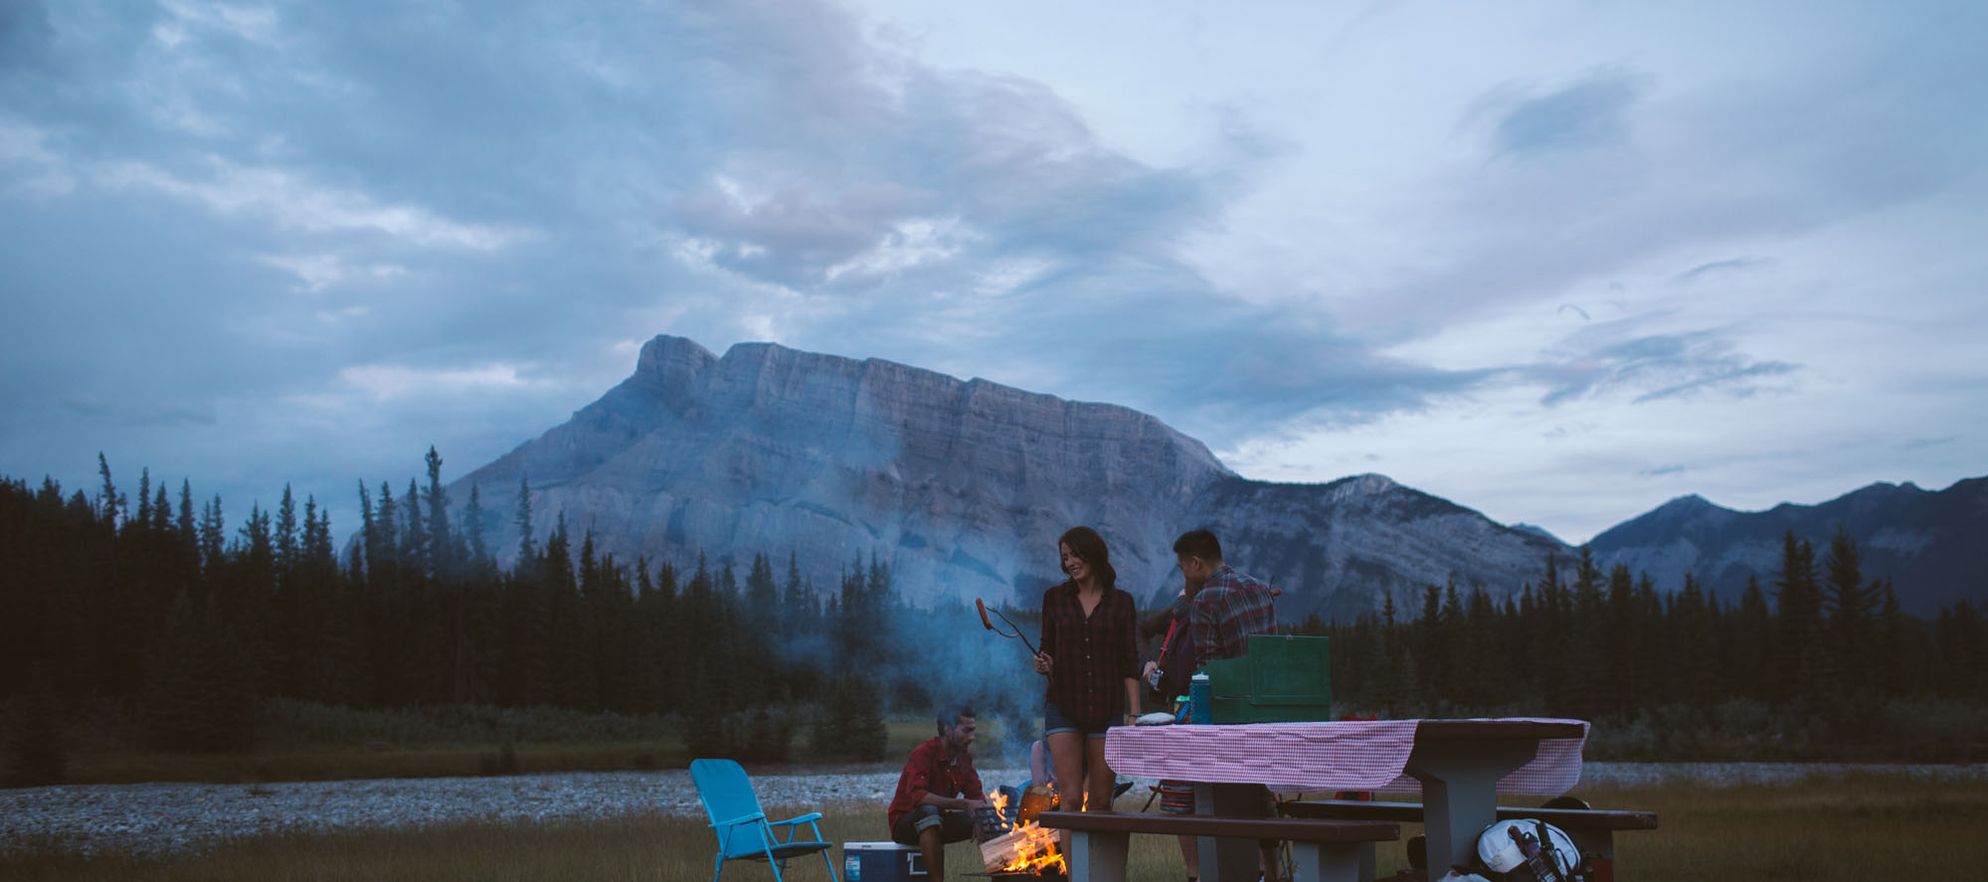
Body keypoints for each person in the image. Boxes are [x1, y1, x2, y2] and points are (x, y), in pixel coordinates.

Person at [1174, 527, 1283, 881]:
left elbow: (1207, 669)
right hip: (1268, 710)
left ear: (1196, 563)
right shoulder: (1259, 588)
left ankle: (1217, 873)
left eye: (1182, 567)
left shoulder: (1206, 599)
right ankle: (1273, 873)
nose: (1183, 574)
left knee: (1204, 793)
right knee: (1260, 794)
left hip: (1231, 715)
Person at [1033, 525, 1140, 818]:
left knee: (1101, 802)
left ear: (1092, 554)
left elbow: (1129, 660)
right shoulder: (1054, 598)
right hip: (1063, 705)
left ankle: (1097, 852)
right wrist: (1044, 663)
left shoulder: (1121, 602)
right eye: (1065, 557)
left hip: (1107, 708)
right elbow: (1047, 648)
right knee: (1069, 799)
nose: (1069, 562)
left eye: (1074, 555)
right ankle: (1072, 852)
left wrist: (1134, 714)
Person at [887, 705, 990, 881]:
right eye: (966, 731)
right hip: (905, 823)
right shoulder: (924, 753)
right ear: (948, 730)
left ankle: (1002, 874)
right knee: (929, 811)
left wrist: (982, 814)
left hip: (938, 821)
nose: (972, 737)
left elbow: (976, 796)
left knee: (988, 817)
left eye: (973, 731)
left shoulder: (964, 758)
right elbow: (919, 797)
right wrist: (963, 804)